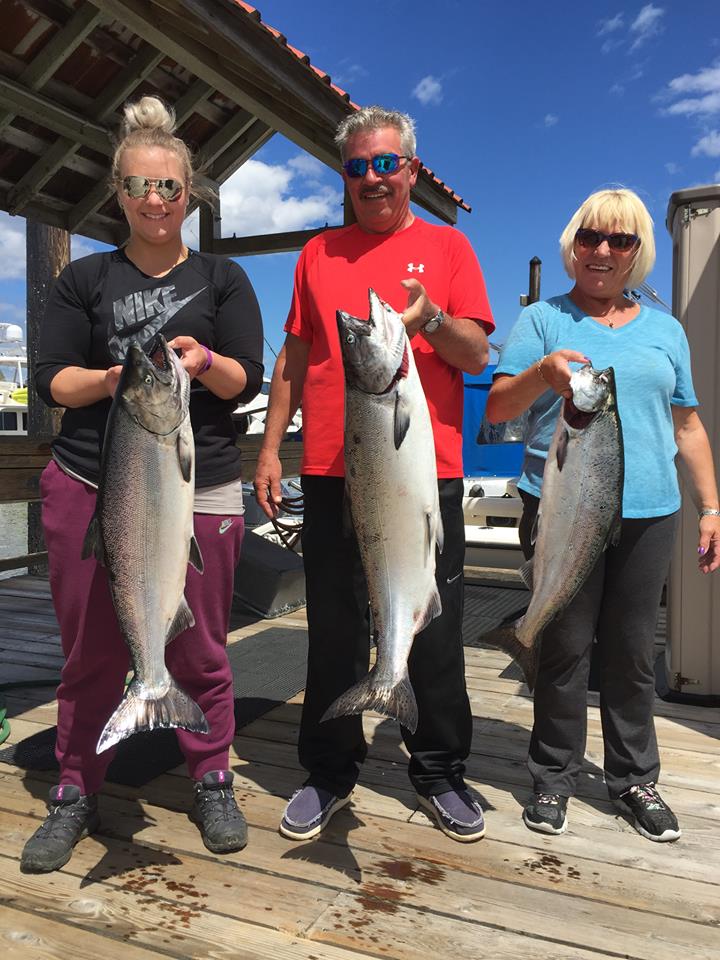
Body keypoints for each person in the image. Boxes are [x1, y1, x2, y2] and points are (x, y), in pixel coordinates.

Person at [20, 96, 264, 873]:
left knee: (201, 647)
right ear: (117, 193)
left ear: (189, 194)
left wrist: (198, 365)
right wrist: (120, 378)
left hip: (204, 484)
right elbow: (51, 383)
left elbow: (243, 378)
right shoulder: (85, 279)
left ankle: (212, 774)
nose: (154, 201)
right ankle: (74, 786)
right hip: (92, 481)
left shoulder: (224, 280)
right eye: (138, 186)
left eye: (169, 187)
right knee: (89, 653)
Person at [254, 105, 494, 843]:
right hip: (330, 471)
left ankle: (439, 769)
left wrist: (426, 321)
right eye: (358, 167)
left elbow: (477, 354)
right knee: (333, 628)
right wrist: (269, 448)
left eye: (386, 164)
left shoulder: (450, 248)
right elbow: (293, 359)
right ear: (345, 177)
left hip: (425, 477)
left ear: (411, 171)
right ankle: (328, 770)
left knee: (433, 629)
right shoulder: (317, 254)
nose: (372, 179)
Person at [485, 187, 720, 842]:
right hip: (561, 507)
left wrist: (712, 506)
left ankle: (633, 777)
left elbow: (689, 424)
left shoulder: (666, 329)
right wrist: (544, 373)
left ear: (637, 254)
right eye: (591, 236)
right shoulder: (543, 320)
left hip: (650, 513)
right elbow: (499, 408)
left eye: (620, 240)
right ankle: (553, 776)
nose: (603, 251)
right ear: (573, 246)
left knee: (633, 652)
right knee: (563, 647)